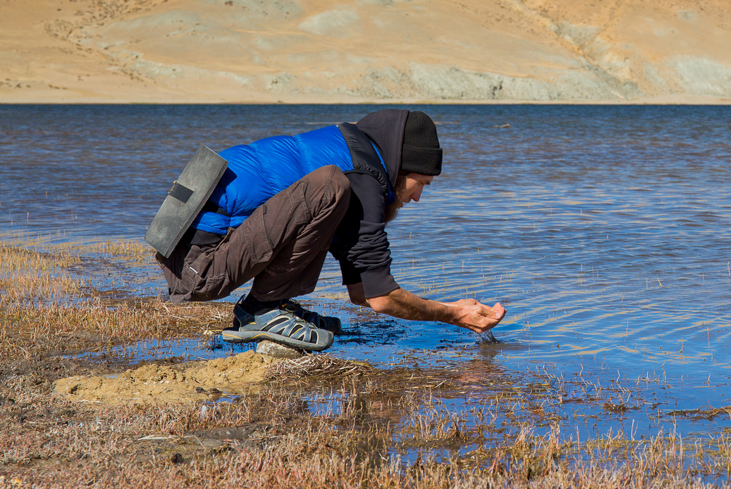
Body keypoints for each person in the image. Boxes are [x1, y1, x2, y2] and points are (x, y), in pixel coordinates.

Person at [152, 109, 505, 351]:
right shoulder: (361, 177)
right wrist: (453, 314)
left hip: (188, 256)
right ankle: (260, 311)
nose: (417, 197)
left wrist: (449, 306)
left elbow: (363, 291)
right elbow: (381, 298)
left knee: (331, 190)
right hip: (198, 269)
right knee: (329, 185)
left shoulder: (353, 152)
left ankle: (271, 304)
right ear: (401, 166)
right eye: (420, 183)